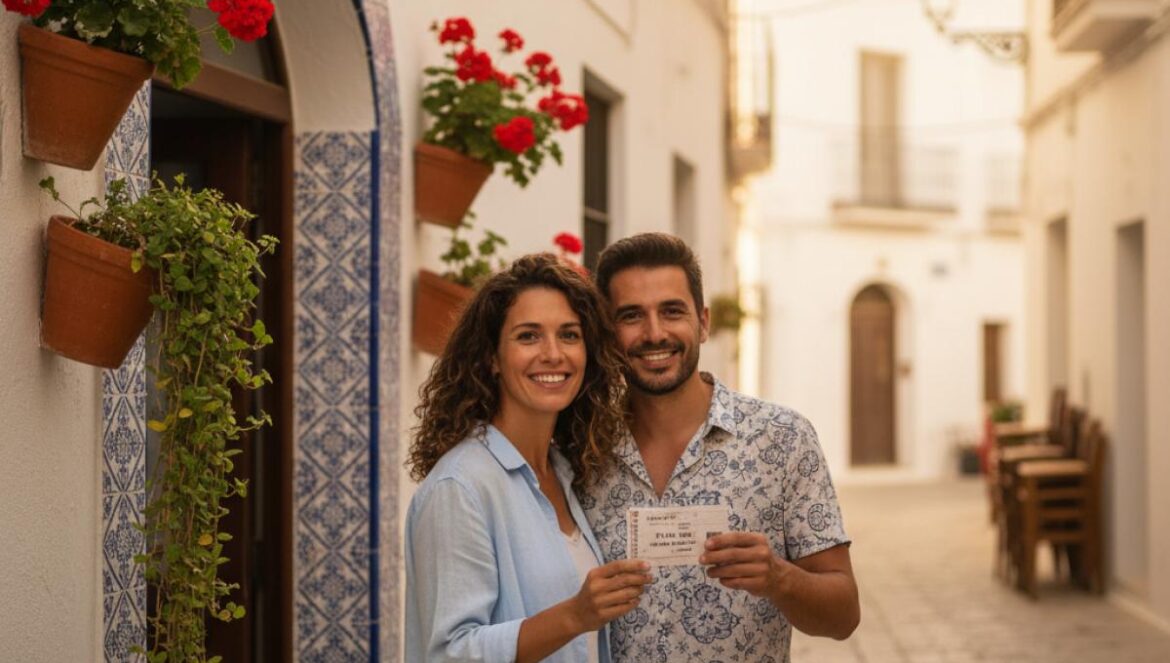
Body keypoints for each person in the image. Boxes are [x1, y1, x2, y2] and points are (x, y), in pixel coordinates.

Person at [581, 233, 860, 662]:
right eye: (631, 316)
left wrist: (779, 578)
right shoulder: (580, 449)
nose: (654, 333)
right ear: (606, 332)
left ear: (703, 322)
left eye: (672, 311)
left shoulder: (783, 438)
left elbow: (844, 617)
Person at [405, 254, 651, 663]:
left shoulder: (563, 471)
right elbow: (451, 653)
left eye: (569, 335)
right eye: (528, 336)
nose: (553, 354)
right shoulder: (461, 487)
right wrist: (575, 615)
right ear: (492, 358)